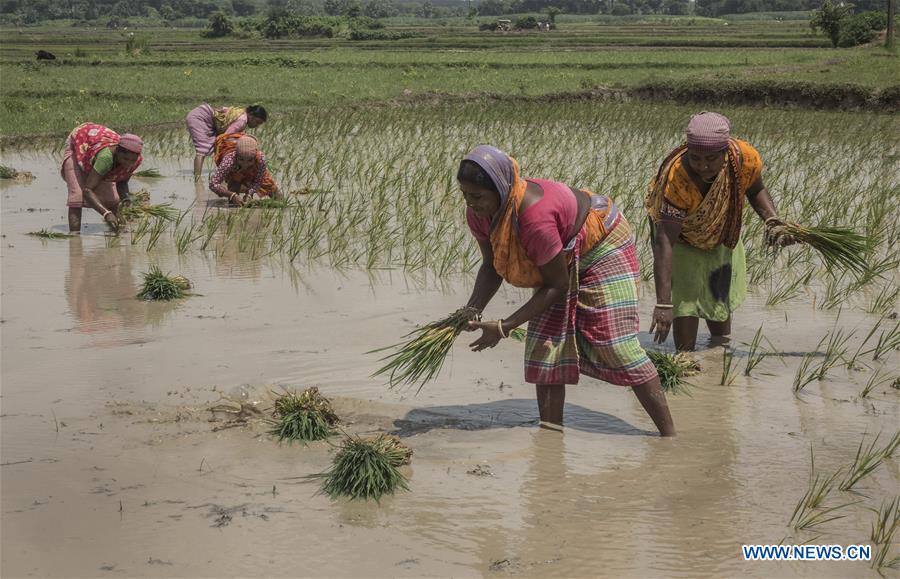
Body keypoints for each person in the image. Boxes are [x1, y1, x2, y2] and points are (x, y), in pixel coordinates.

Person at [459, 145, 675, 436]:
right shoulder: (482, 215)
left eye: (477, 196)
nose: (471, 203)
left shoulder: (533, 218)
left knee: (615, 344)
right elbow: (491, 265)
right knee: (546, 345)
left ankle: (669, 436)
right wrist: (472, 308)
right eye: (465, 195)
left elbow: (557, 286)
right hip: (561, 255)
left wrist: (504, 326)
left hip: (601, 244)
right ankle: (550, 437)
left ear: (501, 188)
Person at [645, 111, 795, 351]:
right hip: (679, 237)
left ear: (725, 153)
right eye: (695, 158)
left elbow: (755, 189)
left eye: (711, 159)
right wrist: (663, 304)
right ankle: (686, 357)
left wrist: (773, 221)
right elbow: (665, 241)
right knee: (687, 294)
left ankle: (718, 355)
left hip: (719, 229)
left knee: (718, 291)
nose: (703, 166)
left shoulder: (743, 159)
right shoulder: (677, 179)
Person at [62, 122, 143, 232]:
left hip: (98, 153)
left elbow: (122, 182)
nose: (128, 164)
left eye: (132, 160)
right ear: (117, 151)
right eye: (125, 159)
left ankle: (117, 233)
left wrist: (126, 201)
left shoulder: (135, 161)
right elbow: (87, 190)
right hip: (80, 142)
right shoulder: (106, 158)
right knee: (77, 196)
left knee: (113, 200)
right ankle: (75, 238)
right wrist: (106, 213)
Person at [185, 104, 267, 181]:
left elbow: (222, 110)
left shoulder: (241, 112)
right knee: (202, 150)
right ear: (251, 115)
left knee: (216, 146)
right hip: (199, 118)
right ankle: (197, 179)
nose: (256, 125)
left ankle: (222, 173)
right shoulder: (242, 121)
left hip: (203, 113)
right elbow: (225, 137)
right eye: (257, 122)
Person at [208, 133, 281, 206]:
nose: (245, 164)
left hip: (253, 172)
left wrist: (249, 194)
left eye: (249, 160)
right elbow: (213, 184)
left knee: (279, 198)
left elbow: (258, 181)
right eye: (241, 159)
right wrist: (232, 195)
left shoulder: (260, 159)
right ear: (237, 155)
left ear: (255, 156)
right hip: (235, 174)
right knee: (234, 201)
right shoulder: (229, 161)